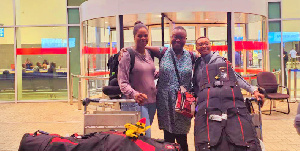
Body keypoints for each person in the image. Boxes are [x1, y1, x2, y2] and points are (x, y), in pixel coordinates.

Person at [119, 26, 196, 151]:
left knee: (182, 137)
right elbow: (141, 47)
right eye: (175, 37)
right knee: (167, 136)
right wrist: (125, 49)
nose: (178, 40)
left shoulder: (192, 56)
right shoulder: (163, 52)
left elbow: (206, 59)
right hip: (164, 101)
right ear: (171, 38)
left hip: (183, 102)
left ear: (185, 39)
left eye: (181, 37)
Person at [193, 36, 265, 151]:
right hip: (205, 105)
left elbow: (235, 78)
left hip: (221, 104)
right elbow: (197, 84)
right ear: (196, 47)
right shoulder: (197, 63)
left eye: (206, 43)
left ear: (210, 45)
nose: (204, 46)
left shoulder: (219, 61)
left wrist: (253, 90)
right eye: (200, 44)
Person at [118, 21, 157, 138]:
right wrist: (135, 94)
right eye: (139, 35)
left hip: (151, 102)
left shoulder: (149, 53)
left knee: (143, 137)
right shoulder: (127, 55)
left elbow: (150, 74)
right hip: (135, 103)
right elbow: (123, 82)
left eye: (145, 35)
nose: (143, 38)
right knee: (143, 137)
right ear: (134, 37)